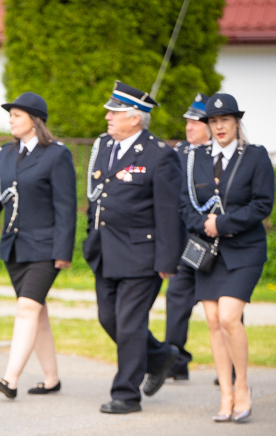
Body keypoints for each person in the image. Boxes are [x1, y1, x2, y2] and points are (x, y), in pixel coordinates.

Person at [82, 81, 182, 414]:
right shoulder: (106, 147)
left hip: (142, 254)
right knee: (108, 319)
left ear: (136, 118)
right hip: (106, 251)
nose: (108, 116)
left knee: (129, 324)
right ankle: (161, 356)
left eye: (116, 112)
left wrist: (168, 258)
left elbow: (169, 211)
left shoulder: (159, 154)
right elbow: (96, 199)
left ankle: (126, 394)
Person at [180, 93, 274, 422]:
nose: (219, 126)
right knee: (212, 322)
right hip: (208, 252)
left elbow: (262, 204)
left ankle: (243, 386)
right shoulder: (195, 159)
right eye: (213, 121)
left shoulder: (255, 157)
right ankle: (226, 394)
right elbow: (184, 205)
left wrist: (222, 223)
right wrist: (205, 225)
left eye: (226, 120)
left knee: (229, 318)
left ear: (237, 122)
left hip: (245, 249)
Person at [0, 92, 76, 399]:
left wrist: (63, 252)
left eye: (17, 115)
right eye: (10, 115)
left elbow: (66, 206)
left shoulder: (56, 155)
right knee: (37, 312)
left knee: (26, 309)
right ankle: (52, 379)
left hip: (46, 248)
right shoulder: (3, 155)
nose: (11, 119)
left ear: (35, 121)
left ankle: (10, 379)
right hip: (15, 247)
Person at [163, 93, 211, 381]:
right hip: (186, 242)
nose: (189, 126)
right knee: (177, 299)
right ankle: (175, 361)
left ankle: (229, 367)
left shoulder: (221, 156)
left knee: (223, 306)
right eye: (188, 121)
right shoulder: (179, 152)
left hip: (215, 241)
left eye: (196, 122)